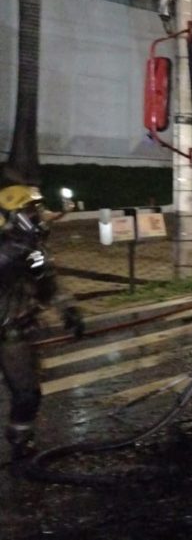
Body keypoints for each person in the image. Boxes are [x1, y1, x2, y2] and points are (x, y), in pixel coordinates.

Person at [0, 184, 84, 460]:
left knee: (28, 392)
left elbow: (48, 284)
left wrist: (69, 311)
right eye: (30, 210)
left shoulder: (31, 247)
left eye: (36, 209)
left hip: (19, 331)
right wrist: (19, 250)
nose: (37, 215)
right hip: (9, 332)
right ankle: (20, 439)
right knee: (26, 393)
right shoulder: (11, 248)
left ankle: (20, 436)